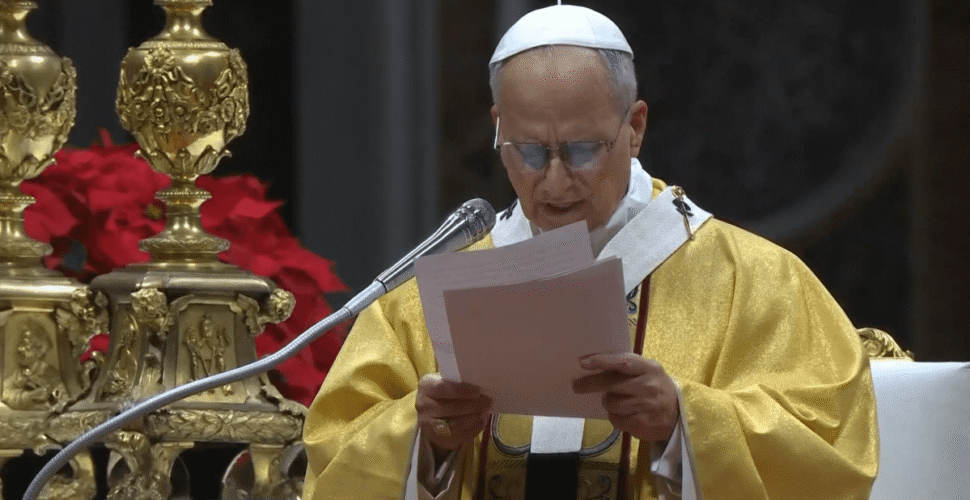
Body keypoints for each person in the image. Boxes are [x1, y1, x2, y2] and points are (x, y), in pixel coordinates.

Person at [303, 4, 878, 500]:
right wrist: (424, 438)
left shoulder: (756, 281)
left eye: (581, 150)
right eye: (528, 152)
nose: (554, 184)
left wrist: (685, 421)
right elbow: (333, 458)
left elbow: (831, 449)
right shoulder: (416, 303)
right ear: (498, 127)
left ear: (635, 127)